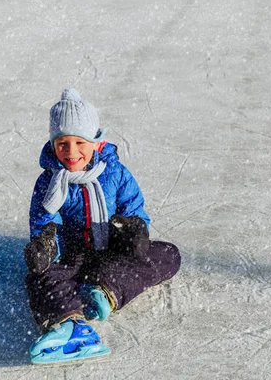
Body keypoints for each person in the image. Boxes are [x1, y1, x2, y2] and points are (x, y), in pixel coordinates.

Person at [23, 88, 181, 364]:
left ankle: (104, 292)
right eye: (62, 144)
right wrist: (45, 245)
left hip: (111, 252)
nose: (71, 153)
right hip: (71, 255)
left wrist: (133, 232)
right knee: (38, 276)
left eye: (79, 143)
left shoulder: (116, 173)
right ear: (52, 145)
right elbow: (44, 222)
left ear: (96, 142)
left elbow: (134, 210)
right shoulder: (48, 183)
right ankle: (69, 325)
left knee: (167, 254)